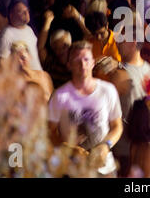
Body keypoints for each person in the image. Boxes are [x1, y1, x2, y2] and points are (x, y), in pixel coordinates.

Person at [48, 41, 123, 177]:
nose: (82, 65)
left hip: (104, 166)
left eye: (86, 59)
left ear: (93, 62)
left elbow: (117, 126)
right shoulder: (59, 95)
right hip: (72, 168)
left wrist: (105, 145)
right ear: (69, 65)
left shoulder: (108, 90)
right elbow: (49, 132)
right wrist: (69, 148)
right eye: (77, 61)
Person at [110, 21, 150, 176]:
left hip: (128, 145)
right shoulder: (147, 68)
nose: (119, 43)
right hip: (133, 143)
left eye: (123, 40)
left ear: (134, 42)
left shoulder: (122, 74)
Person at [0, 1, 43, 70]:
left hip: (36, 76)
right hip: (23, 79)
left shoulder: (29, 29)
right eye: (21, 12)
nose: (26, 13)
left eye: (27, 10)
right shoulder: (6, 35)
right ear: (11, 15)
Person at [38, 10, 72, 89]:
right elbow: (40, 48)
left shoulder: (76, 62)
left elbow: (90, 36)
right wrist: (47, 22)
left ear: (70, 46)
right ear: (53, 49)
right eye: (57, 48)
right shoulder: (51, 63)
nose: (61, 51)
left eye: (64, 46)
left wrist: (77, 17)